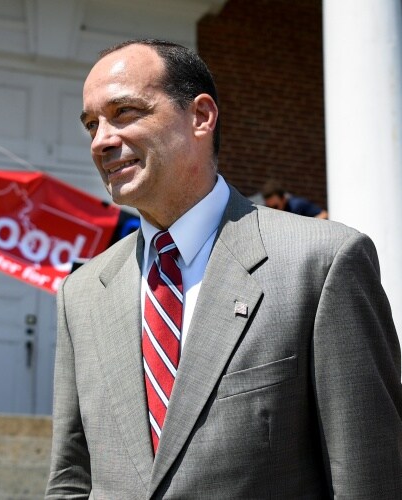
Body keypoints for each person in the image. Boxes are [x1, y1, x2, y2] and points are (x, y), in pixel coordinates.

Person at [45, 39, 402, 499]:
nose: (101, 141)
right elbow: (72, 480)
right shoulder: (82, 292)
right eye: (92, 124)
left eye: (125, 113)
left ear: (201, 116)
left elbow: (368, 478)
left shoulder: (323, 264)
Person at [262, 179, 329, 219]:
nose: (273, 211)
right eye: (269, 207)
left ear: (283, 199)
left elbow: (324, 214)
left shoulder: (297, 205)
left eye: (275, 207)